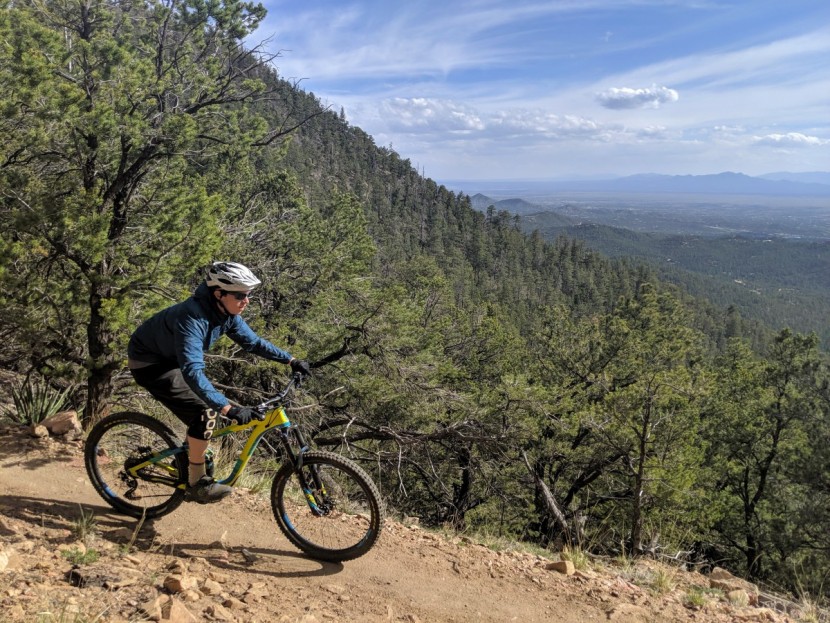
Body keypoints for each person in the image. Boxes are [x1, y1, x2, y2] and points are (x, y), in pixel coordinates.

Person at [127, 261, 311, 503]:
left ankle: (186, 458)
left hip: (172, 360)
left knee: (211, 409)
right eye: (240, 295)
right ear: (218, 294)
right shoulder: (192, 318)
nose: (246, 301)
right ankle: (195, 483)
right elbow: (192, 371)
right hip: (151, 365)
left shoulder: (225, 312)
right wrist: (227, 408)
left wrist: (290, 360)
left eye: (248, 295)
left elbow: (253, 343)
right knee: (206, 413)